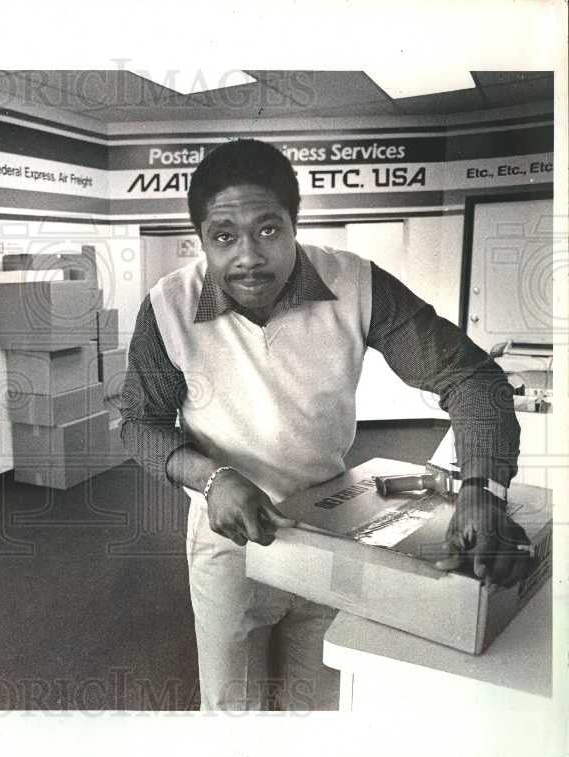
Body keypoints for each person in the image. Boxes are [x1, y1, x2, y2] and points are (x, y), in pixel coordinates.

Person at [119, 138, 531, 712]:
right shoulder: (167, 306)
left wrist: (483, 491)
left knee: (321, 700)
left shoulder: (356, 284)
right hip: (226, 537)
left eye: (268, 230)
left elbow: (471, 379)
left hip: (333, 528)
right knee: (234, 711)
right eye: (223, 237)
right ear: (202, 239)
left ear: (295, 222)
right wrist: (212, 479)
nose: (248, 257)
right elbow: (140, 423)